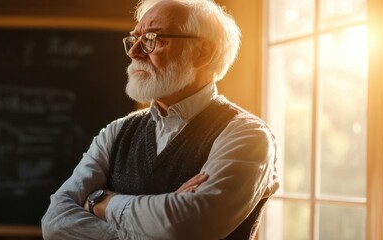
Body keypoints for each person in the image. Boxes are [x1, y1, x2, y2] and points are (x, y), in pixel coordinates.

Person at [41, 0, 279, 239]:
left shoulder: (247, 136)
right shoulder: (116, 132)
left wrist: (99, 204)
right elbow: (55, 221)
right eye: (135, 39)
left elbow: (188, 224)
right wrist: (156, 222)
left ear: (202, 52)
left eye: (152, 39)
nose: (134, 52)